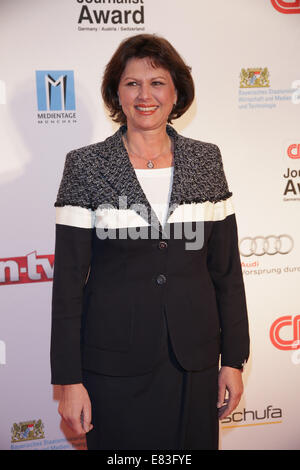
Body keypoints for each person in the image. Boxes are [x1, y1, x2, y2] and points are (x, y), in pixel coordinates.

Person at [50, 34, 250, 451]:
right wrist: (69, 380)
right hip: (112, 366)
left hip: (193, 361)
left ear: (176, 91)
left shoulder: (206, 160)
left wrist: (232, 360)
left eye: (157, 82)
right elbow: (68, 284)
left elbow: (227, 272)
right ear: (116, 93)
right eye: (132, 83)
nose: (145, 95)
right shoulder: (86, 166)